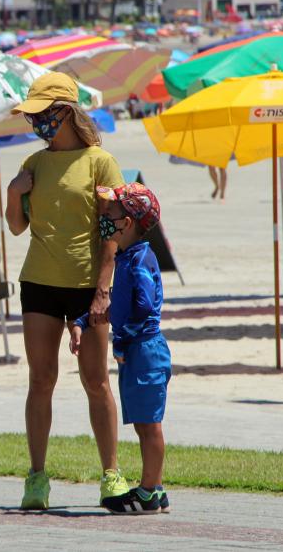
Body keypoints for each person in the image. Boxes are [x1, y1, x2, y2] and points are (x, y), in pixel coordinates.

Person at [5, 71, 130, 510]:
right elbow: (17, 227)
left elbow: (113, 231)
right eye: (31, 115)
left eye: (41, 113)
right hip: (38, 281)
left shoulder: (100, 161)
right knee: (41, 380)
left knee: (96, 381)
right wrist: (11, 193)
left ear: (65, 112)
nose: (34, 122)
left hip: (85, 285)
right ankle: (36, 478)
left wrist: (103, 290)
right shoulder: (33, 164)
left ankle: (111, 474)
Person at [70, 182, 171, 515]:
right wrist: (84, 321)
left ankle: (149, 491)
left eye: (110, 212)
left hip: (145, 350)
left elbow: (142, 304)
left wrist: (124, 338)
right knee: (143, 423)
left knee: (150, 424)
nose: (105, 216)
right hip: (137, 348)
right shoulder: (129, 256)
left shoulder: (140, 260)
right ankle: (153, 488)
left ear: (127, 224)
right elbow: (121, 305)